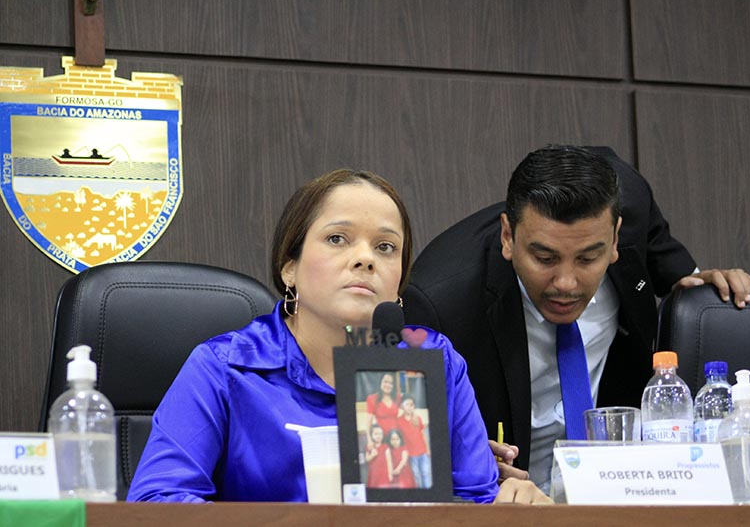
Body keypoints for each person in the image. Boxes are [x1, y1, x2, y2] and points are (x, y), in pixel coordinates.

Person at [127, 168, 547, 504]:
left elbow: (474, 502)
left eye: (386, 247)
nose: (365, 258)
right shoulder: (226, 367)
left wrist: (512, 505)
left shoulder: (432, 362)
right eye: (337, 239)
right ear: (289, 266)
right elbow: (157, 500)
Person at [402, 145, 750, 494]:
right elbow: (417, 454)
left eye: (587, 259)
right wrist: (468, 469)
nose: (566, 284)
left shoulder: (629, 198)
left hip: (617, 489)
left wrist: (692, 279)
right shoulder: (440, 305)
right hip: (514, 502)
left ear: (615, 238)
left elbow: (659, 247)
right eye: (545, 258)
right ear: (508, 236)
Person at [396, 393, 432, 488]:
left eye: (411, 405)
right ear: (402, 406)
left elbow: (423, 434)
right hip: (411, 454)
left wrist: (428, 449)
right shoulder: (399, 421)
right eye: (407, 404)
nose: (409, 407)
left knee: (425, 473)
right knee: (415, 475)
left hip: (422, 452)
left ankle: (428, 492)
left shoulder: (418, 418)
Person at [365, 373, 402, 444]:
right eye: (385, 382)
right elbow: (368, 422)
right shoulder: (372, 398)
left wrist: (414, 415)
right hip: (381, 438)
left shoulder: (398, 397)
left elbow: (409, 405)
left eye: (391, 383)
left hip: (396, 437)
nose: (388, 385)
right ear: (380, 382)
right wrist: (369, 440)